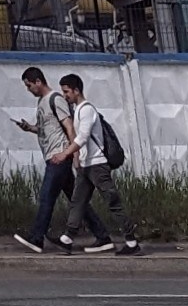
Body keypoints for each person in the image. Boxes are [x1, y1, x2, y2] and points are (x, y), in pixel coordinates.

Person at [57, 72, 139, 253]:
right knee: (78, 201)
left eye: (67, 92)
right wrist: (78, 160)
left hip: (97, 165)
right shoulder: (78, 110)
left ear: (76, 90)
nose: (65, 96)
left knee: (112, 202)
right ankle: (67, 237)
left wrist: (65, 154)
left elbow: (83, 138)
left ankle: (132, 242)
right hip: (86, 165)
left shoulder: (87, 110)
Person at [12, 65, 81, 251]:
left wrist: (74, 155)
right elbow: (46, 129)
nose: (29, 89)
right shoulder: (42, 102)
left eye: (29, 86)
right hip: (54, 156)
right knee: (77, 200)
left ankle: (37, 238)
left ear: (38, 81)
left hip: (58, 157)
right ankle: (102, 235)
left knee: (46, 197)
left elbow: (69, 127)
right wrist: (30, 128)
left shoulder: (55, 99)